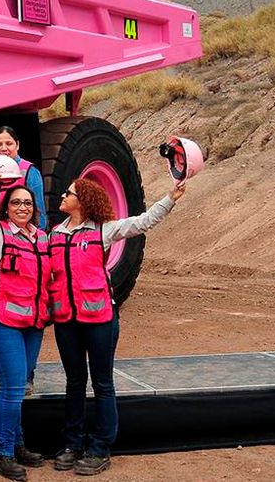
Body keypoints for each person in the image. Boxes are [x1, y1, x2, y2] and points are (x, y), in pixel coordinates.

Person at [48, 177, 186, 476]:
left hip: (100, 321)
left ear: (82, 201)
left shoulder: (104, 231)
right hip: (66, 321)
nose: (62, 195)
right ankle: (73, 444)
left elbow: (143, 222)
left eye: (68, 193)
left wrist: (170, 198)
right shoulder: (54, 235)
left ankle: (99, 447)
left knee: (102, 383)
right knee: (73, 383)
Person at [0, 175, 52, 482]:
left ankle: (16, 445)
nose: (22, 207)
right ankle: (3, 454)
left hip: (32, 322)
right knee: (14, 386)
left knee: (19, 386)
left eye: (27, 203)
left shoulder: (41, 237)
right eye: (15, 202)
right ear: (6, 206)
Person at [0, 127, 47, 230]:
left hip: (23, 233)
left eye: (9, 144)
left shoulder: (30, 171)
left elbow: (39, 210)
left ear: (17, 145)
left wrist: (38, 237)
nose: (4, 148)